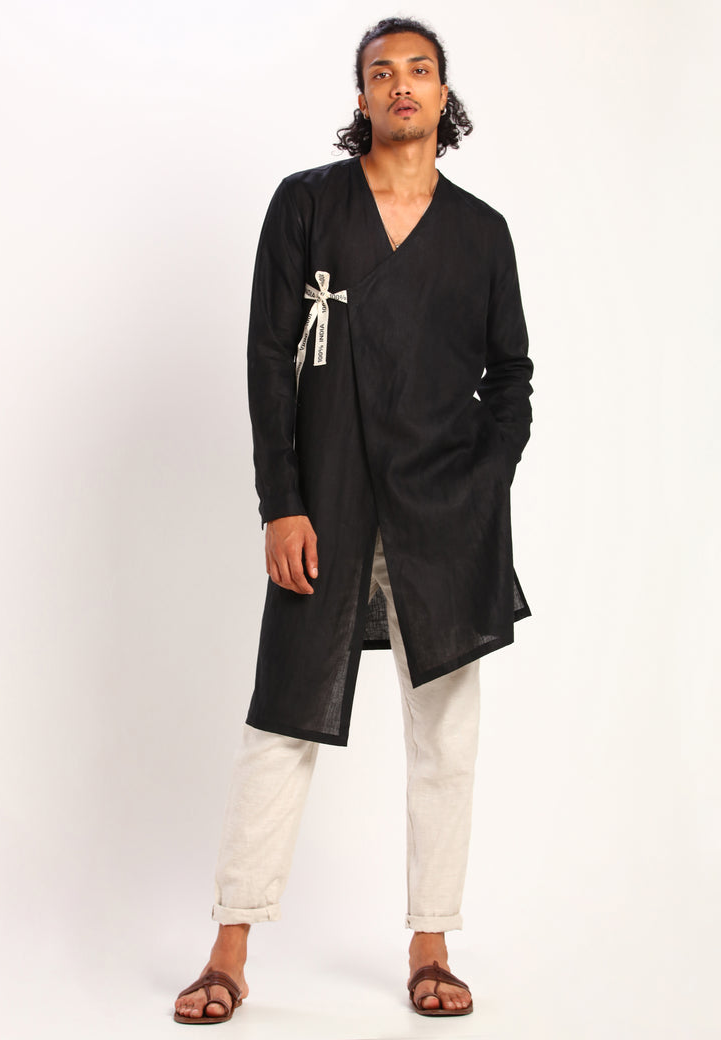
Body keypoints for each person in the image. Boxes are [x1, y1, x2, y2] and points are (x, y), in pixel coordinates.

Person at [174, 15, 533, 1024]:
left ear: (443, 93)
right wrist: (280, 501)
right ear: (362, 95)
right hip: (325, 503)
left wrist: (483, 481)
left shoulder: (480, 233)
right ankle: (229, 947)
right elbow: (267, 357)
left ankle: (431, 942)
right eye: (382, 72)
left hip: (445, 514)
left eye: (419, 70)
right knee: (281, 718)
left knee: (445, 733)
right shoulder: (307, 206)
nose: (401, 85)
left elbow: (511, 375)